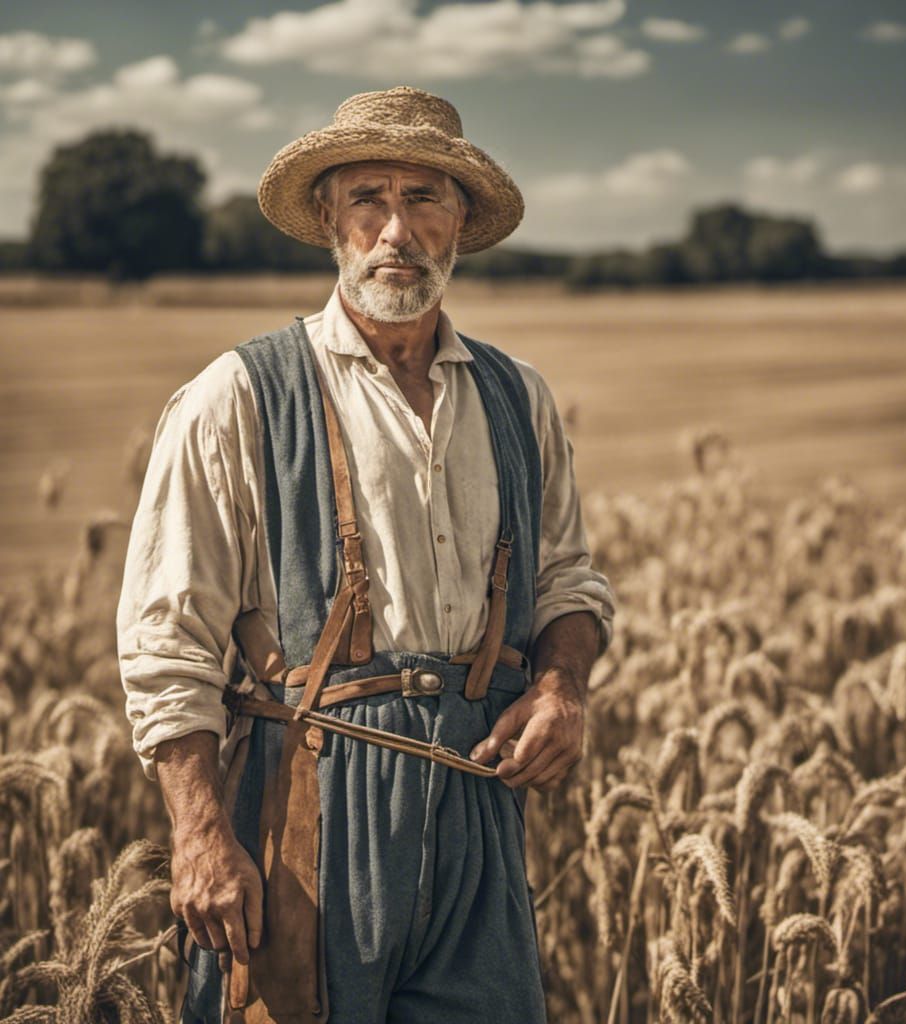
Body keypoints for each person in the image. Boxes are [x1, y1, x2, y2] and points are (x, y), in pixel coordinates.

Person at [116, 85, 615, 1024]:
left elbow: (567, 585)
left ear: (461, 219)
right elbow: (166, 642)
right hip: (306, 808)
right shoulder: (237, 396)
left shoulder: (518, 398)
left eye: (424, 198)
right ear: (327, 219)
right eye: (369, 200)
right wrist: (199, 834)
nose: (398, 229)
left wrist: (561, 689)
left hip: (479, 806)